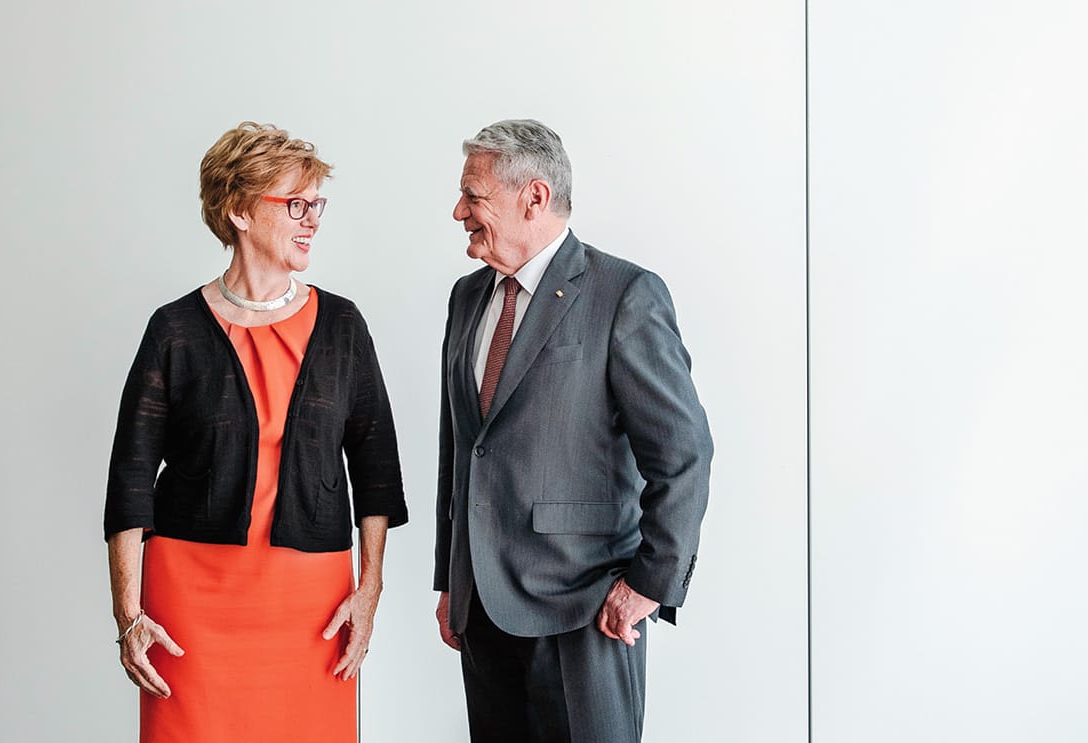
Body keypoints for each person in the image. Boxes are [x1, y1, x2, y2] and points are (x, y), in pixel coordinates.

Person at [104, 121, 407, 742]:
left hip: (312, 606)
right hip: (191, 605)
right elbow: (130, 482)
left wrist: (368, 591)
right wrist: (129, 615)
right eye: (295, 204)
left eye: (316, 204)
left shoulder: (343, 325)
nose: (312, 219)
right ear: (240, 211)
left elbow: (377, 474)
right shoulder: (175, 331)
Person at [433, 118, 714, 742]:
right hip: (481, 608)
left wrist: (649, 583)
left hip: (586, 609)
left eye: (472, 196)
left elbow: (684, 451)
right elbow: (461, 449)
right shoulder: (466, 297)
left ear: (533, 197)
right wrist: (452, 580)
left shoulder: (626, 294)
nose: (459, 211)